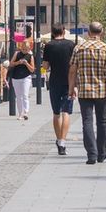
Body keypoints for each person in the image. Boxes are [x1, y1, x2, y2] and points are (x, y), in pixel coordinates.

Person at [70, 22, 106, 165]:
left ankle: (92, 154)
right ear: (101, 32)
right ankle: (102, 153)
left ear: (88, 32)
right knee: (102, 121)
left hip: (84, 90)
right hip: (101, 90)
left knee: (87, 121)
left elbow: (72, 70)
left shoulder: (78, 48)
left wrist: (71, 88)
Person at [41, 27, 75, 156]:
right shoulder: (71, 45)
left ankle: (58, 138)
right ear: (64, 31)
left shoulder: (49, 46)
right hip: (69, 82)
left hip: (55, 82)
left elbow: (45, 66)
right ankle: (62, 142)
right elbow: (74, 65)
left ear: (53, 32)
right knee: (66, 112)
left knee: (56, 113)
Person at [7, 36, 34, 121]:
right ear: (21, 47)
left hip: (26, 77)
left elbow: (32, 69)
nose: (25, 51)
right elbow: (11, 64)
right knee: (18, 96)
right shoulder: (17, 54)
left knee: (25, 94)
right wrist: (18, 62)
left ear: (29, 48)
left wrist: (26, 64)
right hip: (16, 77)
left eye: (26, 49)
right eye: (23, 49)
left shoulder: (30, 56)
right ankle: (20, 114)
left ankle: (25, 112)